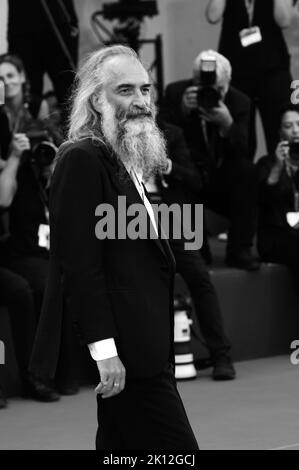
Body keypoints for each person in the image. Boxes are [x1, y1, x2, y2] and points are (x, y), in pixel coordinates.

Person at [29, 45, 199, 450]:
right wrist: (105, 352)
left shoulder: (124, 156)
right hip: (126, 351)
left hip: (146, 343)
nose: (140, 102)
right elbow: (80, 266)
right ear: (96, 100)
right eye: (125, 90)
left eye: (145, 89)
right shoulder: (81, 159)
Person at [0, 53, 75, 399]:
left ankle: (62, 371)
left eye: (11, 75)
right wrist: (14, 156)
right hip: (11, 234)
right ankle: (37, 374)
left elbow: (51, 185)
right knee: (34, 288)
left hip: (35, 223)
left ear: (23, 78)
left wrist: (48, 166)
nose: (6, 82)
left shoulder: (35, 121)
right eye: (0, 77)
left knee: (60, 280)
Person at [146, 119, 236, 380]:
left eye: (146, 90)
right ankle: (146, 361)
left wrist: (168, 166)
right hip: (129, 217)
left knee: (200, 278)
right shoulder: (112, 132)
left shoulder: (172, 133)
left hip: (176, 215)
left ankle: (221, 355)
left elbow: (195, 180)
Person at [160, 50, 260, 271]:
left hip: (222, 175)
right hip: (190, 174)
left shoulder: (239, 101)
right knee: (199, 259)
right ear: (194, 81)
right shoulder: (177, 92)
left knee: (248, 171)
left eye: (219, 90)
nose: (212, 94)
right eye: (205, 88)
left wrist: (228, 125)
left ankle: (240, 250)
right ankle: (195, 249)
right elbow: (160, 138)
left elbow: (247, 150)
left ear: (228, 83)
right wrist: (182, 111)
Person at [206, 0, 295, 159]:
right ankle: (244, 180)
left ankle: (280, 178)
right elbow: (213, 16)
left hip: (273, 68)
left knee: (278, 130)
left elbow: (284, 20)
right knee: (242, 136)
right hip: (236, 70)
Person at [7, 0, 79, 118]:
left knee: (68, 89)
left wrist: (72, 23)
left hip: (57, 24)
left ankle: (77, 132)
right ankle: (28, 133)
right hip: (22, 29)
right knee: (27, 91)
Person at [257, 103, 299, 270]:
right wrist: (277, 167)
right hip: (277, 238)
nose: (295, 130)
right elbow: (261, 200)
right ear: (281, 133)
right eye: (288, 126)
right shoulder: (267, 163)